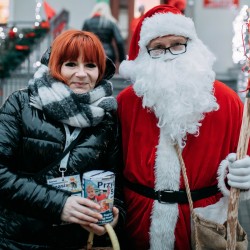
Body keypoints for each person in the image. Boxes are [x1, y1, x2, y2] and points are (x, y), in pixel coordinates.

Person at [117, 4, 250, 250]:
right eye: (157, 48)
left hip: (202, 224)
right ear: (144, 54)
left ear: (193, 46)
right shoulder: (125, 102)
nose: (168, 54)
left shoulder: (227, 101)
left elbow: (245, 153)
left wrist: (241, 173)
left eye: (178, 44)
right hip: (138, 223)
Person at [0, 29, 125, 249]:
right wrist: (59, 205)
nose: (81, 74)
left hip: (75, 241)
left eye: (90, 65)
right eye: (70, 64)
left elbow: (117, 186)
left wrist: (114, 218)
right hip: (18, 239)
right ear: (56, 66)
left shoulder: (107, 117)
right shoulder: (21, 105)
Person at [82, 2, 125, 66]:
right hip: (108, 54)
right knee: (108, 75)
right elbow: (119, 41)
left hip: (92, 53)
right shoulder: (111, 23)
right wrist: (122, 59)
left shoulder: (87, 22)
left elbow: (81, 40)